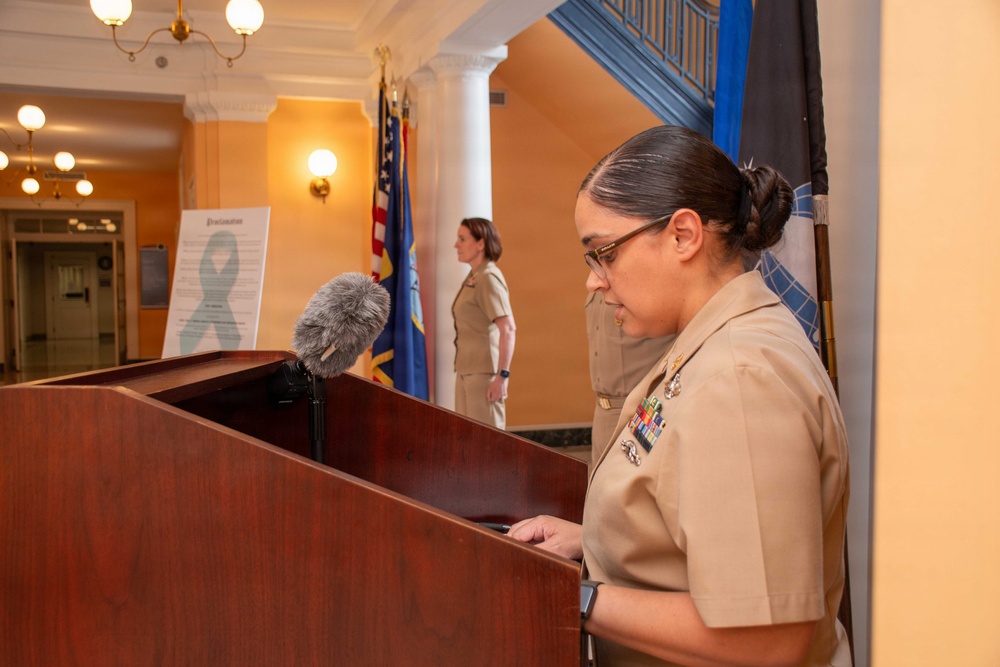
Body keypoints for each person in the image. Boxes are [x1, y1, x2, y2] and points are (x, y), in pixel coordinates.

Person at [508, 125, 851, 667]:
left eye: (605, 253)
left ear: (684, 235)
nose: (594, 281)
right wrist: (593, 546)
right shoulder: (705, 342)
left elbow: (763, 639)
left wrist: (576, 596)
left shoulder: (738, 380)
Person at [586, 290, 675, 466]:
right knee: (599, 487)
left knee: (636, 482)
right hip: (602, 411)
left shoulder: (643, 286)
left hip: (643, 410)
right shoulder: (597, 287)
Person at [452, 217, 516, 430]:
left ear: (480, 244)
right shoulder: (475, 276)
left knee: (488, 442)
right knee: (468, 439)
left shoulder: (488, 278)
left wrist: (502, 376)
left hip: (484, 374)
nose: (456, 245)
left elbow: (507, 329)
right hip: (467, 369)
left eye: (462, 239)